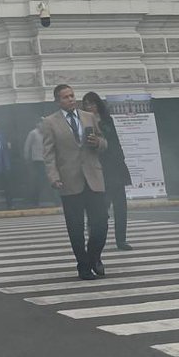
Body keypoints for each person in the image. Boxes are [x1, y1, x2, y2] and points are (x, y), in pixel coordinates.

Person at [42, 83, 109, 280]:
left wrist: (99, 143)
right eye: (65, 97)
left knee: (101, 223)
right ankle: (83, 266)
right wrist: (53, 177)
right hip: (69, 180)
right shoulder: (50, 122)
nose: (71, 99)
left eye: (72, 95)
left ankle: (94, 255)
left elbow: (104, 142)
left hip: (93, 178)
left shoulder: (88, 117)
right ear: (57, 100)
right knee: (75, 227)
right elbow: (48, 154)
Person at [82, 91, 133, 250]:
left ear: (98, 105)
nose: (90, 107)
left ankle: (121, 239)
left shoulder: (107, 120)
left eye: (93, 103)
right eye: (87, 104)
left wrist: (121, 161)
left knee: (120, 206)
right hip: (97, 169)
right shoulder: (82, 123)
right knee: (99, 209)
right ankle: (95, 239)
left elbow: (115, 143)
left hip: (114, 167)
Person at [23, 119, 49, 206]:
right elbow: (27, 145)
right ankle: (35, 201)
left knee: (48, 180)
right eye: (41, 123)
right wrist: (26, 157)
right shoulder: (33, 133)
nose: (42, 125)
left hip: (46, 160)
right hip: (37, 160)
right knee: (37, 181)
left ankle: (51, 200)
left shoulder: (46, 133)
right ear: (37, 124)